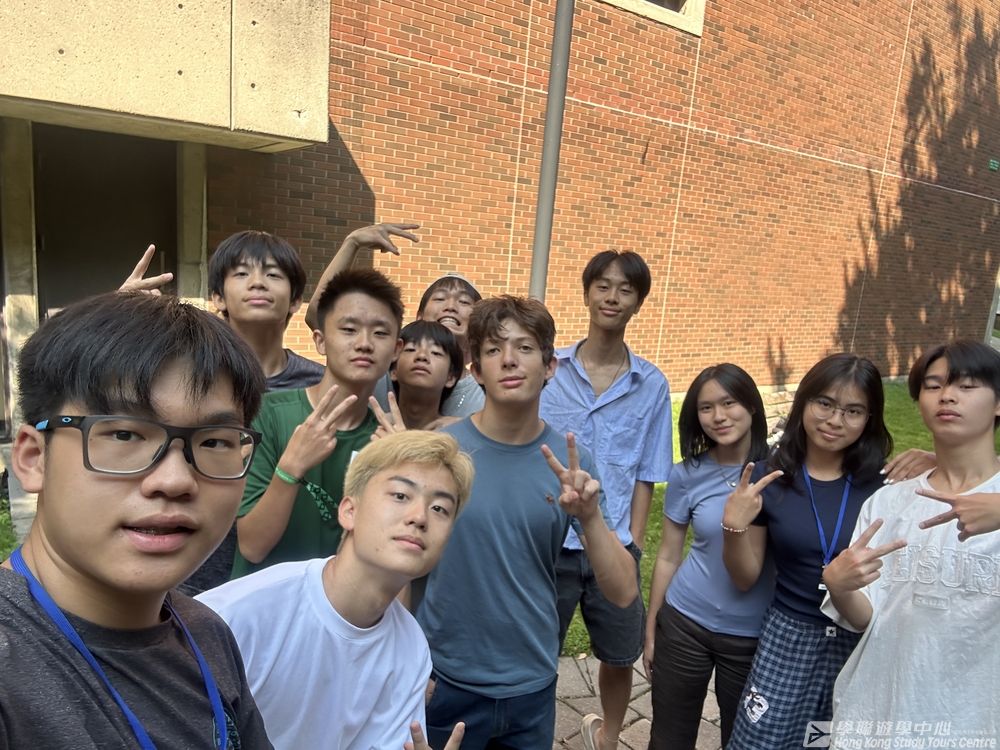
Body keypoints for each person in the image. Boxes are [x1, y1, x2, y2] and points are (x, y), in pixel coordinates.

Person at [0, 292, 271, 748]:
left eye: (214, 441)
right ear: (34, 458)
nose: (175, 480)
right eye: (124, 434)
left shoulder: (206, 633)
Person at [416, 295, 638, 749]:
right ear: (477, 370)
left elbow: (622, 592)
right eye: (493, 349)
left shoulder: (571, 464)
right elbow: (406, 567)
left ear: (550, 366)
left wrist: (590, 517)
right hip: (445, 680)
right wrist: (405, 665)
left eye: (524, 347)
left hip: (530, 686)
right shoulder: (442, 451)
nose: (509, 359)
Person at [198, 431, 473, 750]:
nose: (419, 517)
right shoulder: (240, 614)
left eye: (440, 508)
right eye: (401, 495)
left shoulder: (411, 649)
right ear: (349, 511)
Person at [822, 340, 1000, 746]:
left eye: (967, 386)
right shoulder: (888, 501)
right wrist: (840, 586)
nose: (947, 395)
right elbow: (867, 618)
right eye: (933, 385)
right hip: (878, 716)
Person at [721, 353, 892, 749]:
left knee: (828, 741)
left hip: (857, 641)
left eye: (853, 411)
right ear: (804, 402)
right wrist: (734, 525)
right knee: (758, 740)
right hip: (788, 637)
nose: (835, 420)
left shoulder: (885, 483)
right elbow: (745, 577)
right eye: (825, 403)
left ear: (869, 418)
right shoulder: (769, 476)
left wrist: (929, 458)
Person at [538, 249, 671, 750]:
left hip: (611, 544)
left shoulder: (651, 385)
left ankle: (609, 737)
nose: (612, 297)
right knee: (537, 651)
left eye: (625, 289)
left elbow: (648, 473)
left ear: (639, 302)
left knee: (619, 654)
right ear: (587, 293)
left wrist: (633, 543)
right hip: (549, 539)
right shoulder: (550, 370)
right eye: (603, 286)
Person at [231, 268, 403, 578]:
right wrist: (291, 467)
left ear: (396, 349)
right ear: (320, 341)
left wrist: (401, 472)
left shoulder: (389, 440)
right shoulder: (268, 414)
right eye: (349, 329)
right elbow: (252, 546)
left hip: (337, 604)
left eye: (380, 333)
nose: (365, 343)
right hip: (264, 603)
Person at [644, 364, 773, 749]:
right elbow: (668, 556)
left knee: (743, 741)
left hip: (754, 637)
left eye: (729, 403)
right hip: (684, 623)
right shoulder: (687, 474)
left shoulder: (781, 474)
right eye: (706, 407)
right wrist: (652, 628)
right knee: (668, 740)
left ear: (752, 406)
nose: (719, 416)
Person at [304, 236, 485, 418]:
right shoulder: (384, 362)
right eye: (439, 298)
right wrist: (353, 243)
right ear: (419, 317)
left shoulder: (483, 393)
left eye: (464, 301)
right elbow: (318, 316)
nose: (451, 306)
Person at [390, 320, 464, 430]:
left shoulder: (459, 432)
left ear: (451, 377)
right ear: (393, 370)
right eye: (411, 349)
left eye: (436, 353)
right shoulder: (373, 427)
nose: (422, 356)